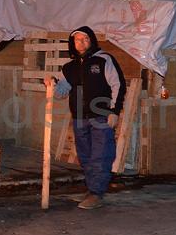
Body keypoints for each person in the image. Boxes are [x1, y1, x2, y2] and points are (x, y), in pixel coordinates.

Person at [48, 26, 126, 210]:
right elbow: (61, 93)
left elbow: (118, 85)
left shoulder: (103, 60)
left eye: (85, 39)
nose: (81, 43)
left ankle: (96, 193)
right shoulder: (69, 67)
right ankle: (92, 190)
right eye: (77, 40)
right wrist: (52, 83)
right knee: (85, 156)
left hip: (101, 116)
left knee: (101, 155)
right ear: (73, 43)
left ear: (91, 41)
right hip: (79, 117)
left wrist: (114, 111)